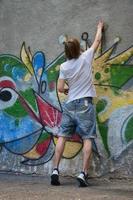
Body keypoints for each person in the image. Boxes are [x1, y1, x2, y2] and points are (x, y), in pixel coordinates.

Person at [51, 20, 104, 187]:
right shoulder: (86, 57)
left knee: (62, 136)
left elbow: (60, 88)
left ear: (66, 51)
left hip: (70, 104)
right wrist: (99, 28)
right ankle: (83, 173)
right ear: (78, 49)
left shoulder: (64, 66)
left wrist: (67, 89)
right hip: (85, 105)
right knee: (87, 137)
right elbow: (96, 42)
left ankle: (55, 170)